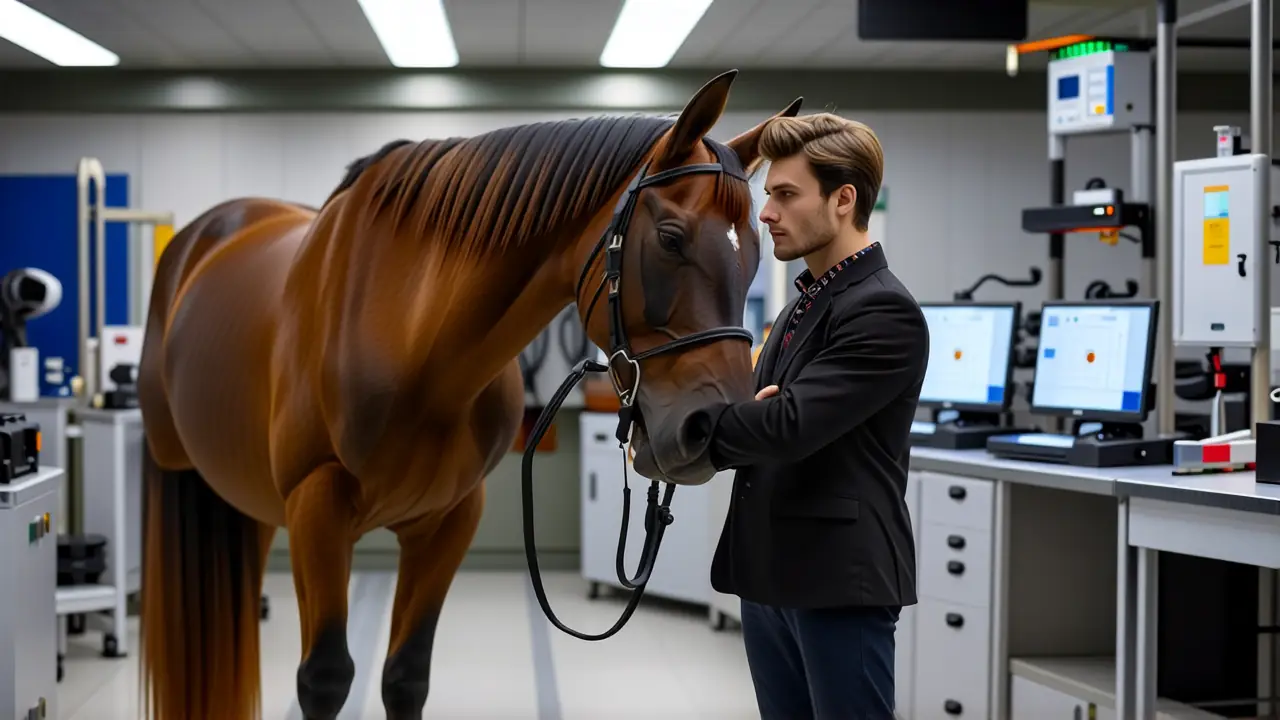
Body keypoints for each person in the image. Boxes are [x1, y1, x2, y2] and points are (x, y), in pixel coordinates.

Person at [702, 113, 930, 719]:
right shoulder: (806, 301)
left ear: (842, 199)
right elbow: (757, 412)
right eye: (768, 195)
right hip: (771, 572)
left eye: (785, 195)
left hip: (837, 580)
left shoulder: (882, 310)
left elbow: (786, 428)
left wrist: (698, 429)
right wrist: (748, 415)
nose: (766, 213)